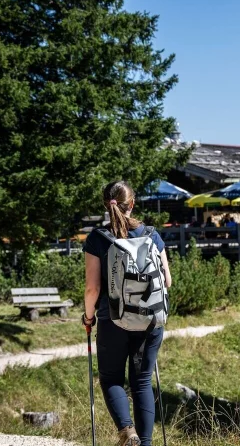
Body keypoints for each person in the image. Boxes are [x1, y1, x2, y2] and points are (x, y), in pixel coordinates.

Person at [82, 181, 172, 446]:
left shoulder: (98, 238)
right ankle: (145, 443)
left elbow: (92, 288)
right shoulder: (152, 235)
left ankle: (127, 431)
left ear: (105, 205)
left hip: (113, 320)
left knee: (111, 379)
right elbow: (167, 281)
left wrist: (88, 317)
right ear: (132, 203)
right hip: (150, 321)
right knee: (142, 382)